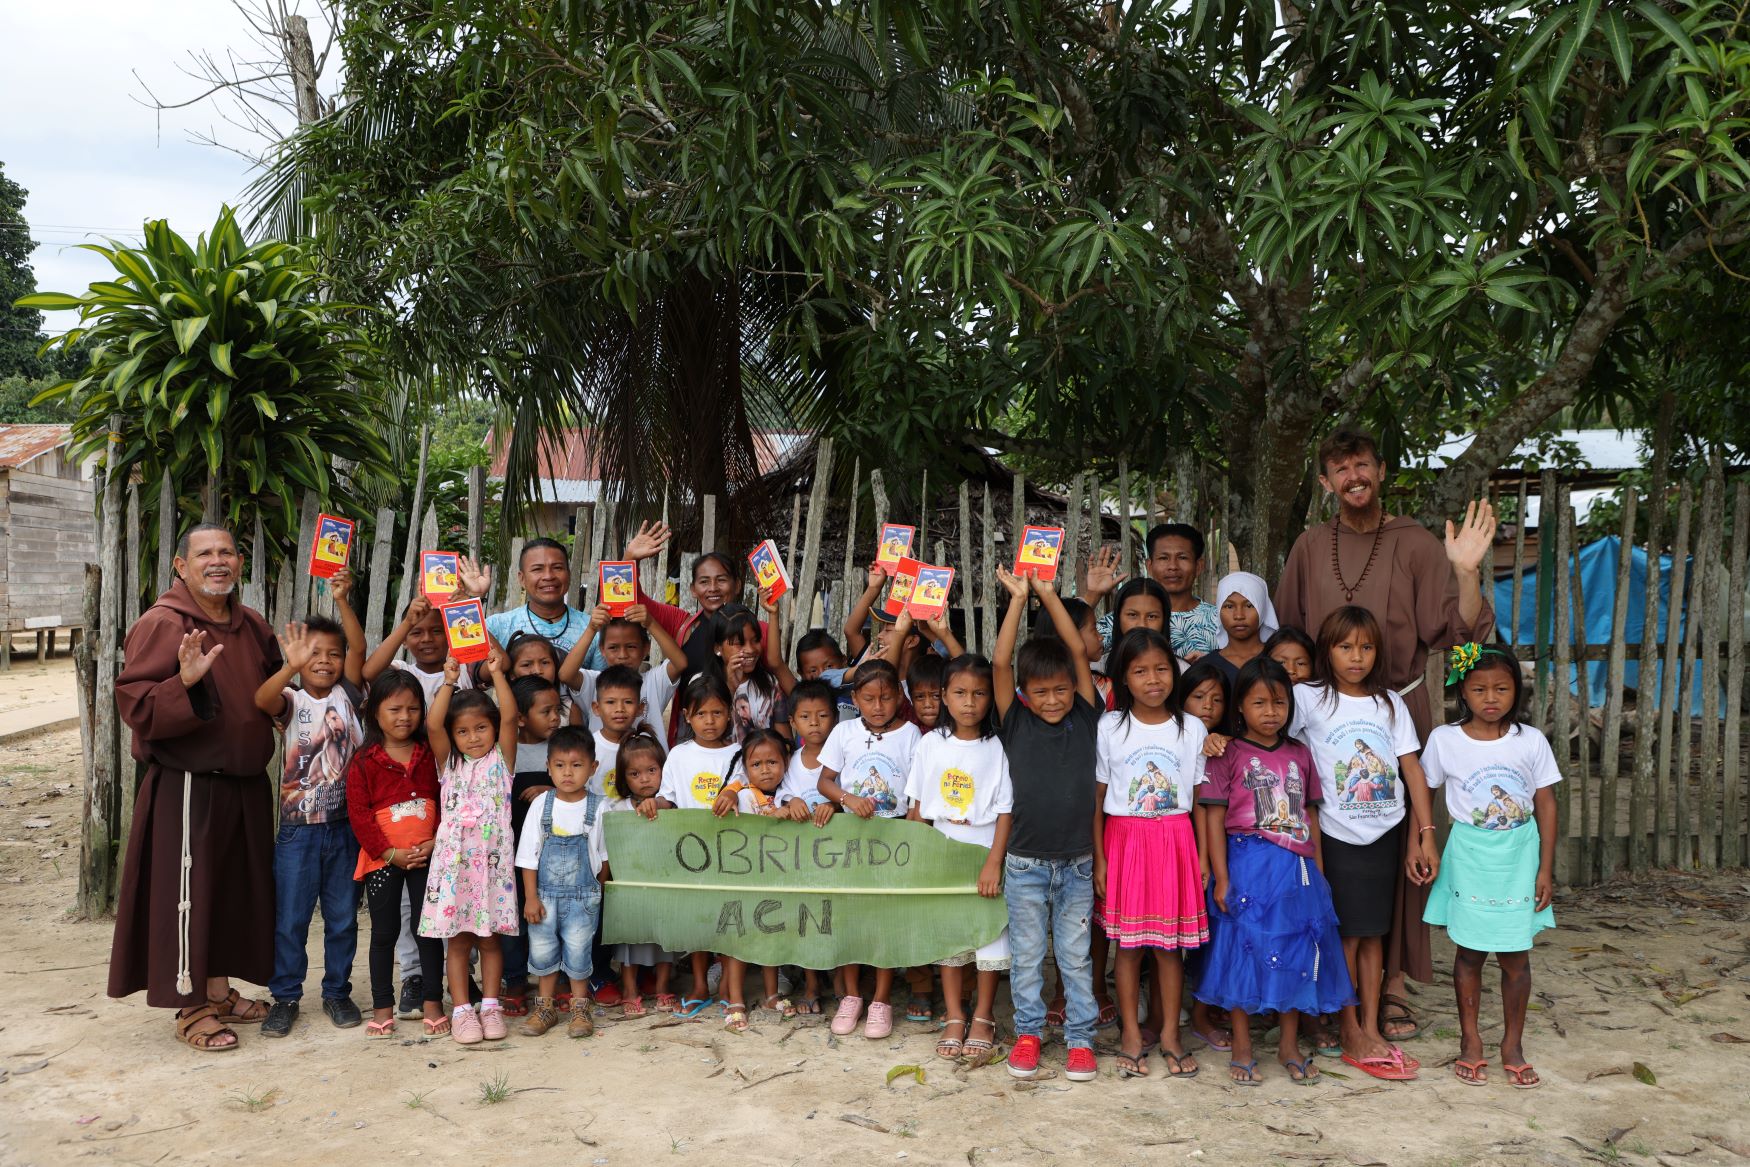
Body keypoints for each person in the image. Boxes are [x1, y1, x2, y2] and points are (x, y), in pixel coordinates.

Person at [1274, 426, 1497, 1037]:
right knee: (1324, 842)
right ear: (1325, 482)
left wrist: (1468, 575)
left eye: (1362, 464)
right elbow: (1287, 639)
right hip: (1320, 716)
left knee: (1398, 846)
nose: (1353, 476)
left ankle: (1392, 982)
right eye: (1340, 468)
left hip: (1397, 707)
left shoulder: (1418, 544)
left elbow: (1461, 646)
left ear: (1381, 470)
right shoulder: (1309, 546)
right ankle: (1324, 978)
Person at [109, 524, 283, 1051]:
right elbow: (134, 706)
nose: (218, 561)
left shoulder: (250, 624)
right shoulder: (162, 624)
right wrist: (182, 683)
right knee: (189, 897)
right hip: (190, 786)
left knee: (230, 895)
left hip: (247, 785)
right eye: (204, 553)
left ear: (239, 561)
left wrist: (287, 704)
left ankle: (218, 989)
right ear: (181, 567)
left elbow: (274, 689)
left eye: (227, 551)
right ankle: (191, 1006)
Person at [1290, 606, 1438, 1082]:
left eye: (1367, 647)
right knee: (1346, 935)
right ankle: (1348, 1025)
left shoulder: (1389, 704)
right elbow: (1275, 744)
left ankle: (1370, 1023)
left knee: (1373, 933)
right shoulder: (1307, 699)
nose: (1357, 657)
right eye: (1345, 647)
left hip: (1384, 832)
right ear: (1326, 650)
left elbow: (1411, 768)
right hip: (1335, 834)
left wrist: (1424, 834)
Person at [1198, 657, 1355, 1085]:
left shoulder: (1300, 754)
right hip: (1247, 861)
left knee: (1296, 953)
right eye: (1260, 702)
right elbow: (1212, 817)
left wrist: (1317, 872)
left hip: (1296, 869)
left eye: (1280, 702)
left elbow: (1309, 814)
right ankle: (1244, 1043)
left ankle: (1289, 1043)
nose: (1271, 712)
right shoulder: (1226, 752)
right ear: (1240, 707)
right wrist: (1221, 875)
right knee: (1241, 949)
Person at [1421, 645, 1560, 1090]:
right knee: (1469, 952)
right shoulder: (1446, 740)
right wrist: (1424, 842)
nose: (1491, 698)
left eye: (1501, 688)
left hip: (1520, 855)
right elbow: (1422, 791)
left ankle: (1512, 1045)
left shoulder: (1530, 741)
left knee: (1516, 955)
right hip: (1469, 855)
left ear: (1516, 690)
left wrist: (1545, 868)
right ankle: (1470, 1040)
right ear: (1463, 690)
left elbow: (1545, 803)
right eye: (1479, 689)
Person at [993, 566, 1101, 1084]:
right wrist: (1018, 600)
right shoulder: (1015, 721)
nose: (1055, 699)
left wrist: (1051, 595)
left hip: (1078, 864)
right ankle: (1030, 1033)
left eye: (1061, 690)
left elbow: (1078, 653)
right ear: (1025, 694)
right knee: (1029, 956)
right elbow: (999, 661)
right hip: (1025, 865)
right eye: (1042, 692)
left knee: (1076, 959)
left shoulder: (1085, 716)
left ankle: (1080, 1039)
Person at [1095, 628, 1210, 1080]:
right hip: (1124, 841)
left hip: (1176, 841)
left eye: (1162, 669)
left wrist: (1200, 857)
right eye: (1140, 671)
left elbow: (1198, 800)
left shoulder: (1192, 728)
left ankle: (1169, 1035)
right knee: (1127, 948)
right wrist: (1100, 859)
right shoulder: (1110, 727)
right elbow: (1098, 796)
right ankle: (1128, 1032)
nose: (1153, 680)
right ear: (1124, 677)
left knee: (1169, 949)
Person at [252, 594, 368, 1037]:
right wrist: (288, 665)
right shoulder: (292, 699)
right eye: (313, 654)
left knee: (341, 919)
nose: (324, 662)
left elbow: (358, 649)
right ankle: (285, 997)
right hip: (297, 834)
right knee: (291, 920)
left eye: (332, 655)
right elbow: (262, 700)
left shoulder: (348, 694)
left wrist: (343, 600)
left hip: (344, 830)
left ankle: (337, 992)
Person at [905, 653, 1012, 1063]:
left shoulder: (998, 747)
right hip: (942, 846)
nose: (970, 702)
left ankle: (983, 1014)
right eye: (960, 693)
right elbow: (918, 810)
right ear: (944, 697)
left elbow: (1005, 809)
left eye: (980, 693)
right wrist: (920, 859)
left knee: (988, 934)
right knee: (948, 935)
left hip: (984, 844)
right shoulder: (930, 744)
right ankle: (954, 1014)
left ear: (991, 699)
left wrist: (994, 862)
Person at [816, 659, 921, 1039]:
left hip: (892, 837)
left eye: (887, 697)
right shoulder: (844, 732)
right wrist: (847, 798)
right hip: (850, 837)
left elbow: (917, 791)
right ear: (855, 697)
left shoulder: (911, 735)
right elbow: (825, 780)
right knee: (849, 917)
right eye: (870, 698)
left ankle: (881, 999)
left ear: (899, 696)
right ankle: (851, 996)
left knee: (884, 921)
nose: (878, 706)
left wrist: (911, 830)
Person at [421, 654, 519, 1046]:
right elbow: (432, 723)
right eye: (463, 731)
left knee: (491, 939)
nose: (474, 737)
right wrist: (448, 681)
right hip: (455, 867)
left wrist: (497, 674)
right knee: (459, 940)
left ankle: (491, 1005)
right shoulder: (449, 766)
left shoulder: (502, 762)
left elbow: (511, 717)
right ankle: (462, 1010)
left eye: (481, 728)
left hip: (492, 870)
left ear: (493, 729)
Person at [346, 670, 447, 1038]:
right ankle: (382, 1008)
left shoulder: (430, 755)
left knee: (429, 932)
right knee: (385, 933)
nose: (405, 716)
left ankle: (433, 1003)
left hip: (427, 857)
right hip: (383, 862)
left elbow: (444, 799)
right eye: (395, 709)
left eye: (413, 708)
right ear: (374, 713)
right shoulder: (364, 761)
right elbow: (359, 815)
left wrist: (436, 841)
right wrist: (389, 853)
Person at [649, 673, 741, 1016]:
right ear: (687, 716)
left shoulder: (740, 753)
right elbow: (668, 800)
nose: (710, 721)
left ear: (730, 713)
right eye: (701, 714)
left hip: (732, 852)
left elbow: (753, 793)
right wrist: (652, 804)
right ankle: (701, 983)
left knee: (732, 920)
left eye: (717, 713)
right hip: (693, 853)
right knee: (700, 921)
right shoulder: (679, 755)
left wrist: (734, 791)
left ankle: (732, 987)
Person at [515, 726, 608, 1040]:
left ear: (593, 768)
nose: (568, 773)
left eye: (577, 765)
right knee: (542, 952)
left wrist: (598, 891)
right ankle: (546, 1008)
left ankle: (580, 1008)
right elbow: (528, 856)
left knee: (579, 952)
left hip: (584, 897)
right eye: (560, 765)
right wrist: (530, 898)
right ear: (548, 766)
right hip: (544, 897)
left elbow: (605, 857)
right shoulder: (543, 805)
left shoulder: (600, 807)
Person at [711, 730, 806, 1030]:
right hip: (743, 881)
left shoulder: (789, 793)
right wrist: (729, 792)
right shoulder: (739, 794)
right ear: (746, 767)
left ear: (786, 762)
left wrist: (790, 809)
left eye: (773, 762)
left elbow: (797, 815)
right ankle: (736, 1000)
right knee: (740, 939)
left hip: (776, 881)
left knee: (771, 936)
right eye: (757, 764)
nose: (765, 769)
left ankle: (771, 995)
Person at [499, 673, 566, 1015]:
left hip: (558, 851)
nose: (556, 718)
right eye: (546, 711)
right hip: (514, 849)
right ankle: (514, 979)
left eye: (559, 710)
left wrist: (552, 792)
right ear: (521, 718)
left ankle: (560, 978)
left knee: (553, 914)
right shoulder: (504, 750)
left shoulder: (562, 749)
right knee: (515, 915)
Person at [606, 731, 678, 1015]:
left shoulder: (671, 808)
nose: (645, 779)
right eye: (635, 774)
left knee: (665, 937)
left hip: (664, 883)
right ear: (624, 778)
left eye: (652, 770)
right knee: (629, 939)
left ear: (664, 769)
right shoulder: (616, 808)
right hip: (629, 886)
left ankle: (661, 987)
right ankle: (630, 989)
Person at [1085, 524, 1221, 659]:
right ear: (1149, 566)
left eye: (1182, 557)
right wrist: (1093, 595)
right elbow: (1072, 648)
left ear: (1198, 566)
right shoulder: (1122, 620)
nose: (1173, 566)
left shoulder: (1220, 621)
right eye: (1163, 558)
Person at [559, 604, 686, 747]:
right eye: (613, 648)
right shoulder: (595, 682)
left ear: (646, 648)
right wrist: (591, 629)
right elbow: (565, 675)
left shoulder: (654, 682)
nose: (622, 655)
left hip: (649, 768)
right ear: (602, 650)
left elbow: (680, 663)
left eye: (631, 647)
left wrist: (651, 623)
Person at [1210, 571, 1279, 685]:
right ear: (1219, 611)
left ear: (1262, 609)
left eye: (1249, 605)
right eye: (1229, 606)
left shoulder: (1279, 661)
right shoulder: (1207, 666)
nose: (1239, 616)